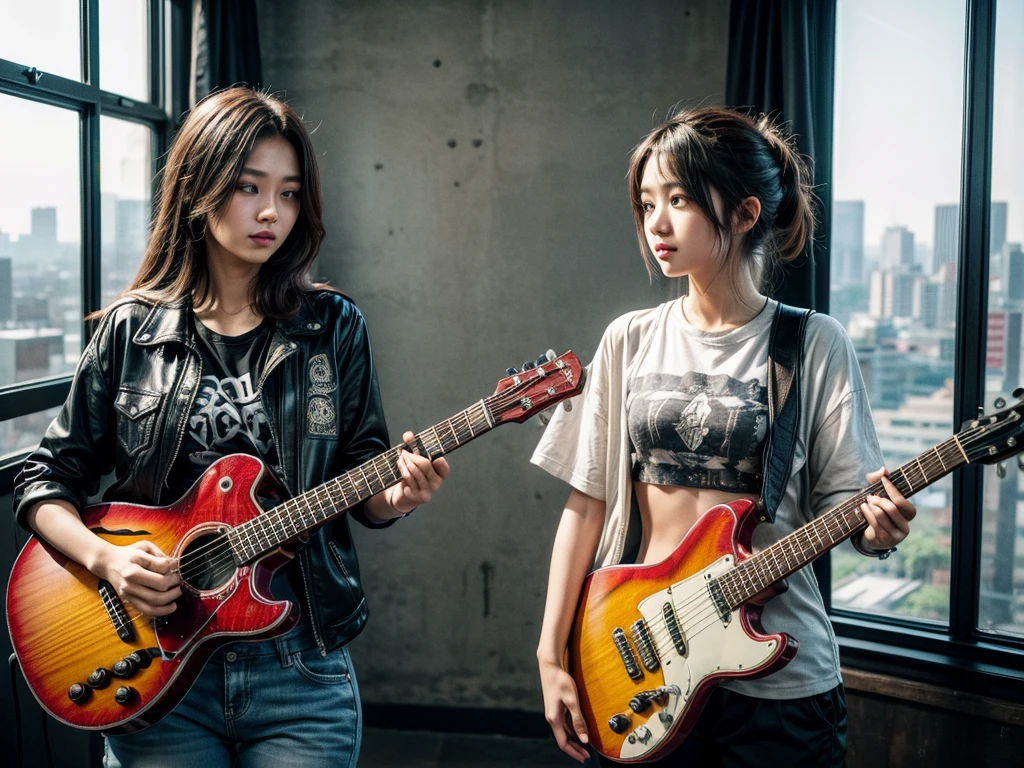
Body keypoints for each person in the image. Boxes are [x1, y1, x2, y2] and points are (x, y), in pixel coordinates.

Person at [12, 87, 449, 768]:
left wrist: (395, 495)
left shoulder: (333, 328)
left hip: (298, 665)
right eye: (250, 187)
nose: (272, 211)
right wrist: (108, 559)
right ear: (200, 185)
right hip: (154, 661)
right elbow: (46, 480)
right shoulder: (132, 330)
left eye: (290, 193)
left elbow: (361, 466)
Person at [531, 107, 917, 767]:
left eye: (678, 200)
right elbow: (586, 502)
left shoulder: (813, 343)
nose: (655, 222)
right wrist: (550, 651)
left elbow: (847, 508)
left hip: (780, 683)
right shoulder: (629, 337)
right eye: (647, 202)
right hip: (638, 658)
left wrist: (877, 530)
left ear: (743, 214)